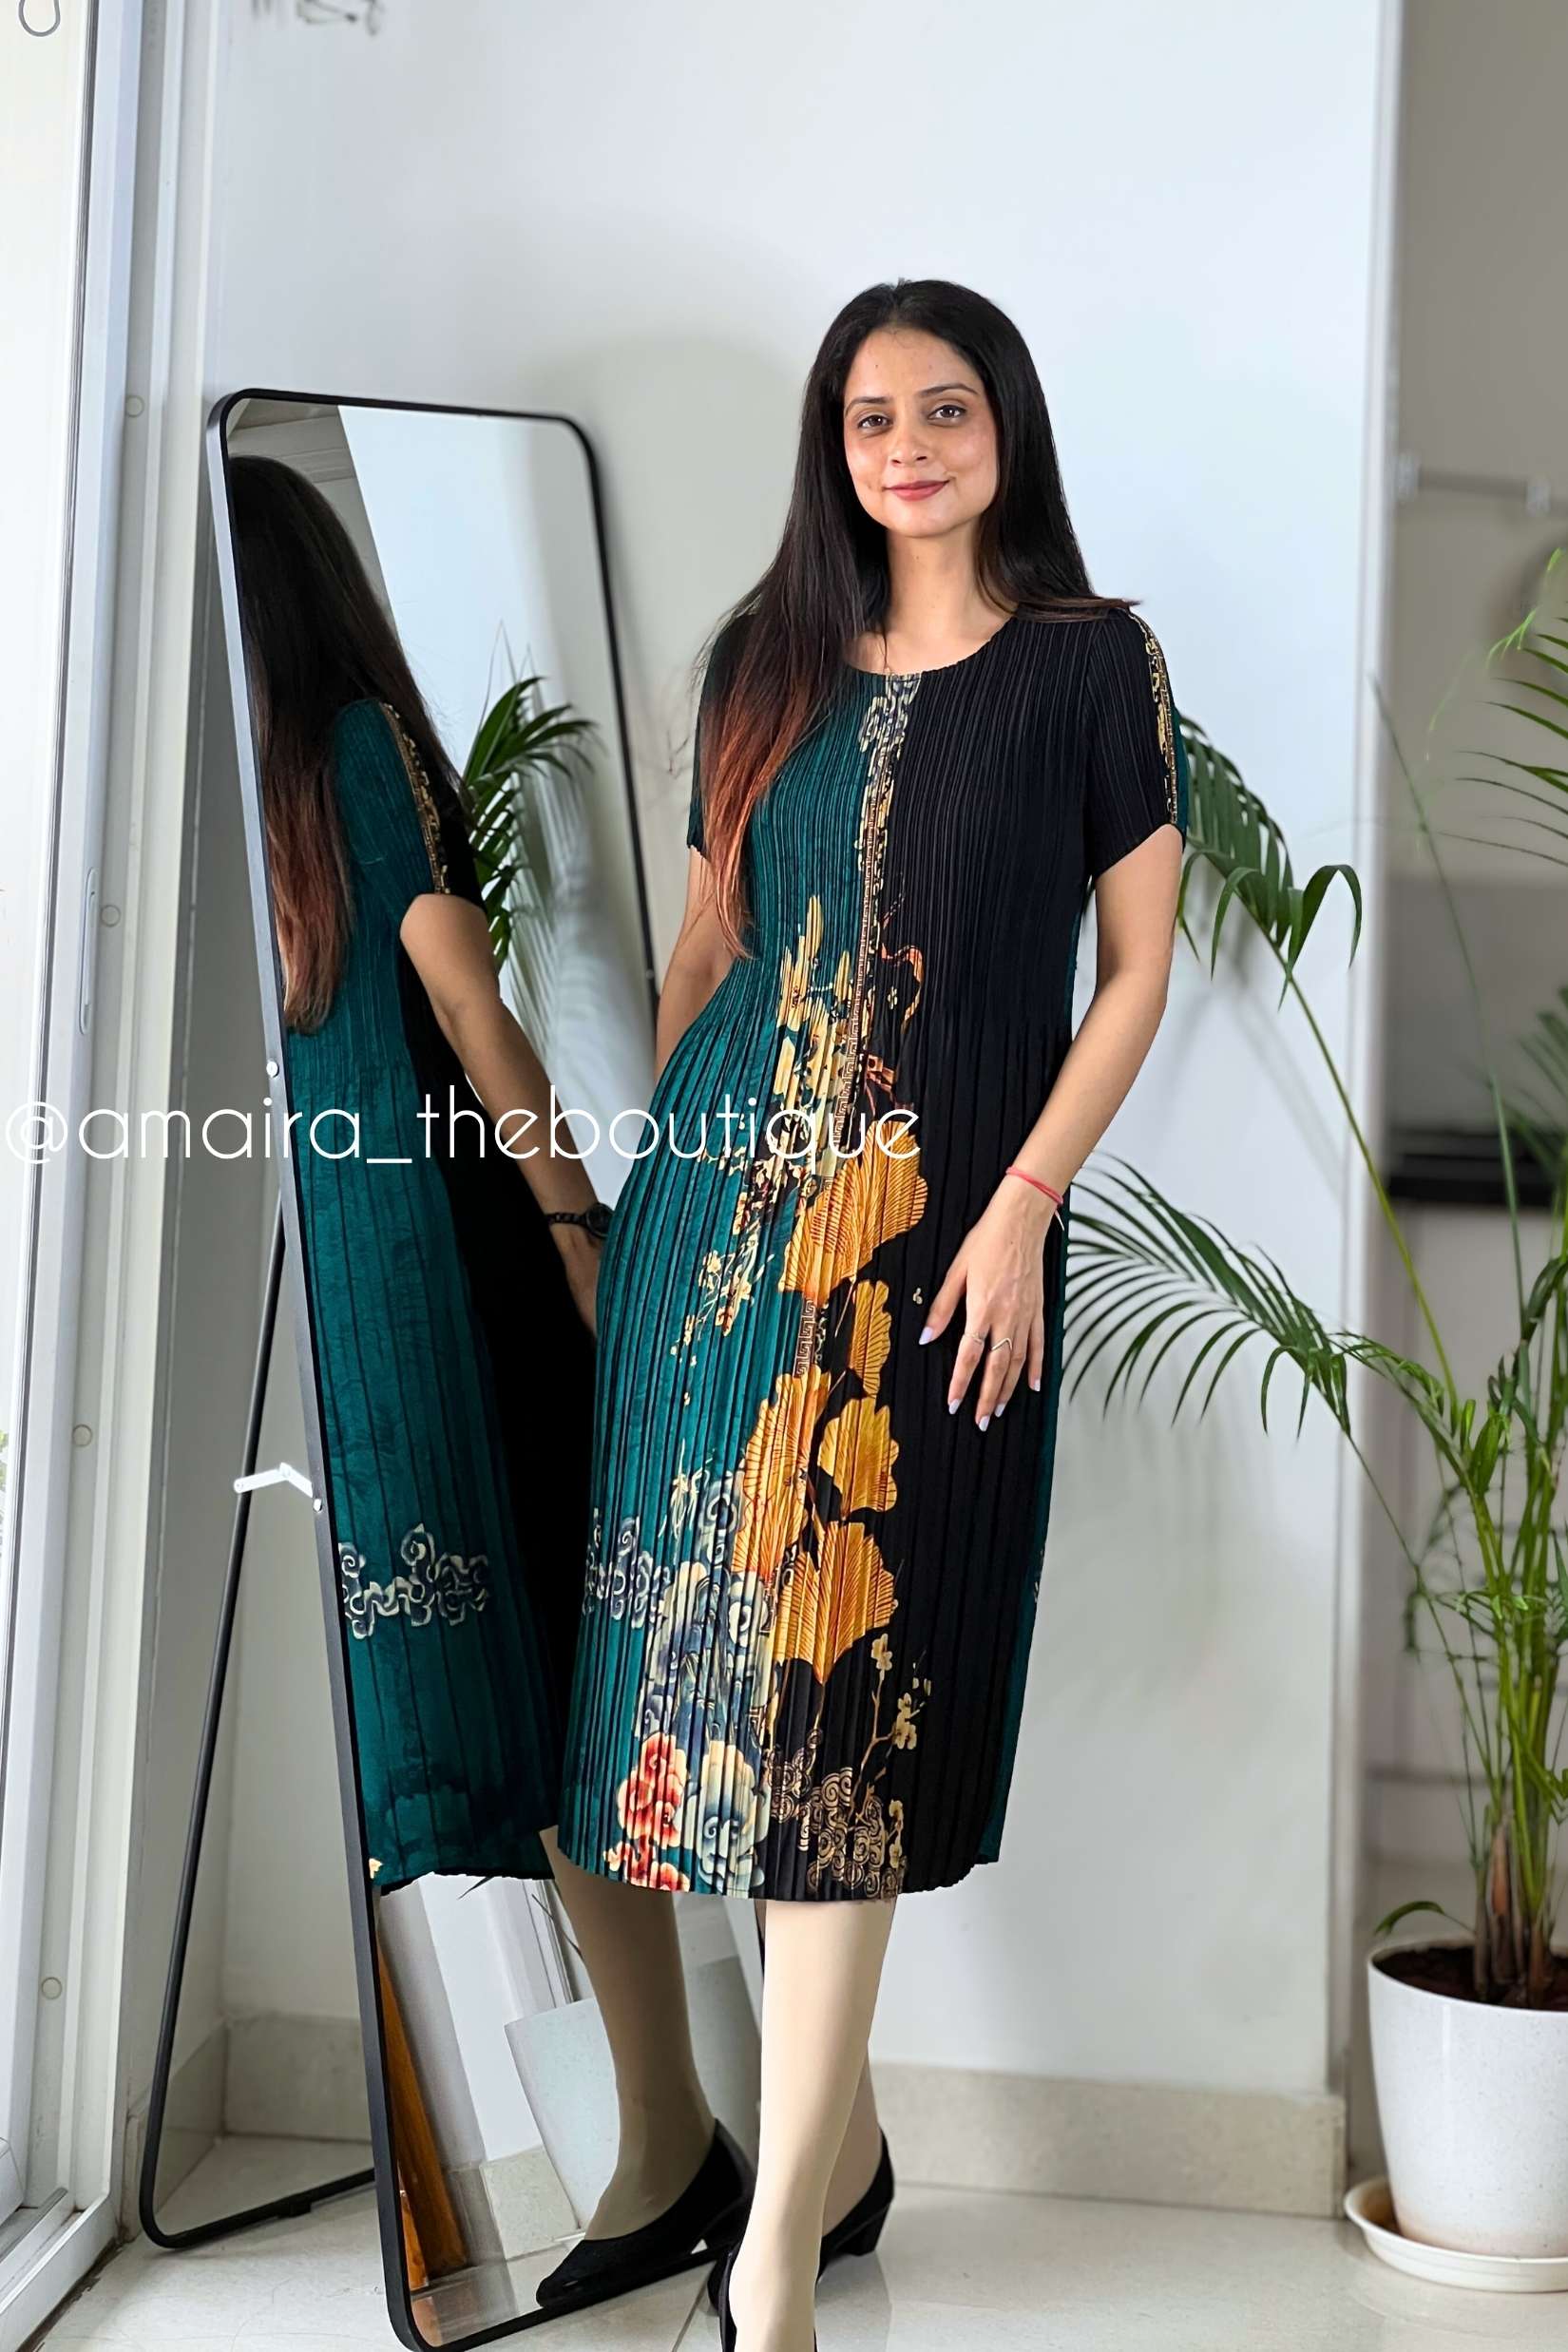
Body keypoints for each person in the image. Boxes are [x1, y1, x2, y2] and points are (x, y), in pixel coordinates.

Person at [552, 277, 1190, 2350]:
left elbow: (1136, 975)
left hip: (940, 1255)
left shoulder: (1092, 665)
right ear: (833, 449)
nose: (907, 445)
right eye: (869, 416)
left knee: (839, 1717)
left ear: (1006, 427)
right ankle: (829, 2165)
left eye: (945, 407)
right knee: (721, 1708)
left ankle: (773, 2270)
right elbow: (703, 949)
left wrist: (1023, 1208)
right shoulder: (764, 660)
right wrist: (647, 1212)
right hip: (717, 1243)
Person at [235, 450, 758, 2302]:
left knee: (569, 1716)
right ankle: (677, 2138)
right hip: (397, 1293)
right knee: (544, 1730)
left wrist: (577, 1236)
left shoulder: (343, 751)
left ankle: (682, 2141)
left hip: (473, 1278)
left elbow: (470, 1004)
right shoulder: (272, 785)